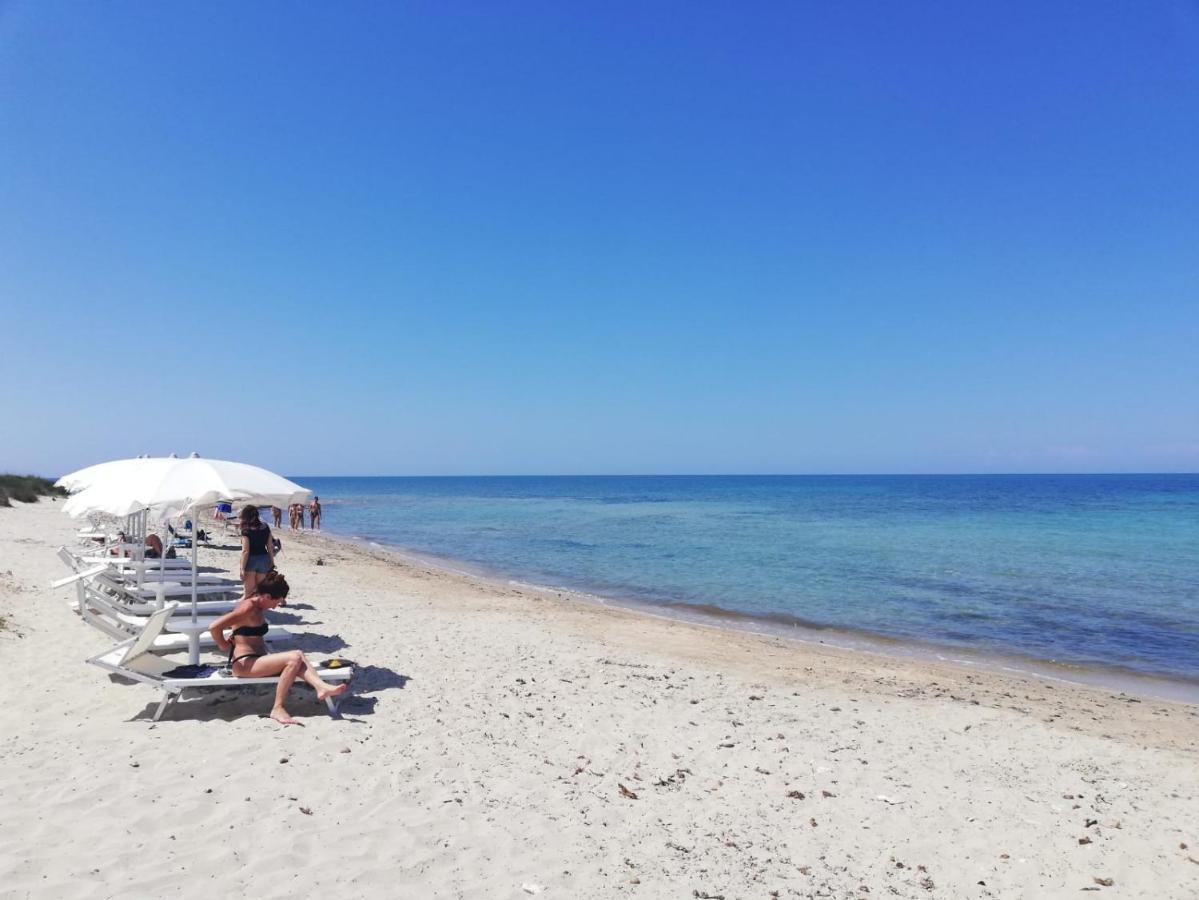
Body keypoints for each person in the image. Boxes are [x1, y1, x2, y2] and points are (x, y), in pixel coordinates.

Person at [208, 571, 347, 725]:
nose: (276, 607)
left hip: (258, 661)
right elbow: (214, 626)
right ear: (267, 596)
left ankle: (321, 687)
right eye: (277, 602)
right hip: (245, 664)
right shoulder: (248, 607)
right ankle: (277, 708)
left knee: (297, 658)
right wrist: (223, 645)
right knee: (295, 656)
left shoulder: (257, 607)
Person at [238, 505, 275, 596]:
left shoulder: (246, 530)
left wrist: (242, 568)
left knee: (248, 593)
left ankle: (241, 610)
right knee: (259, 591)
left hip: (251, 560)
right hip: (263, 559)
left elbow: (245, 551)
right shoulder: (266, 527)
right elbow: (270, 546)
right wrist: (272, 561)